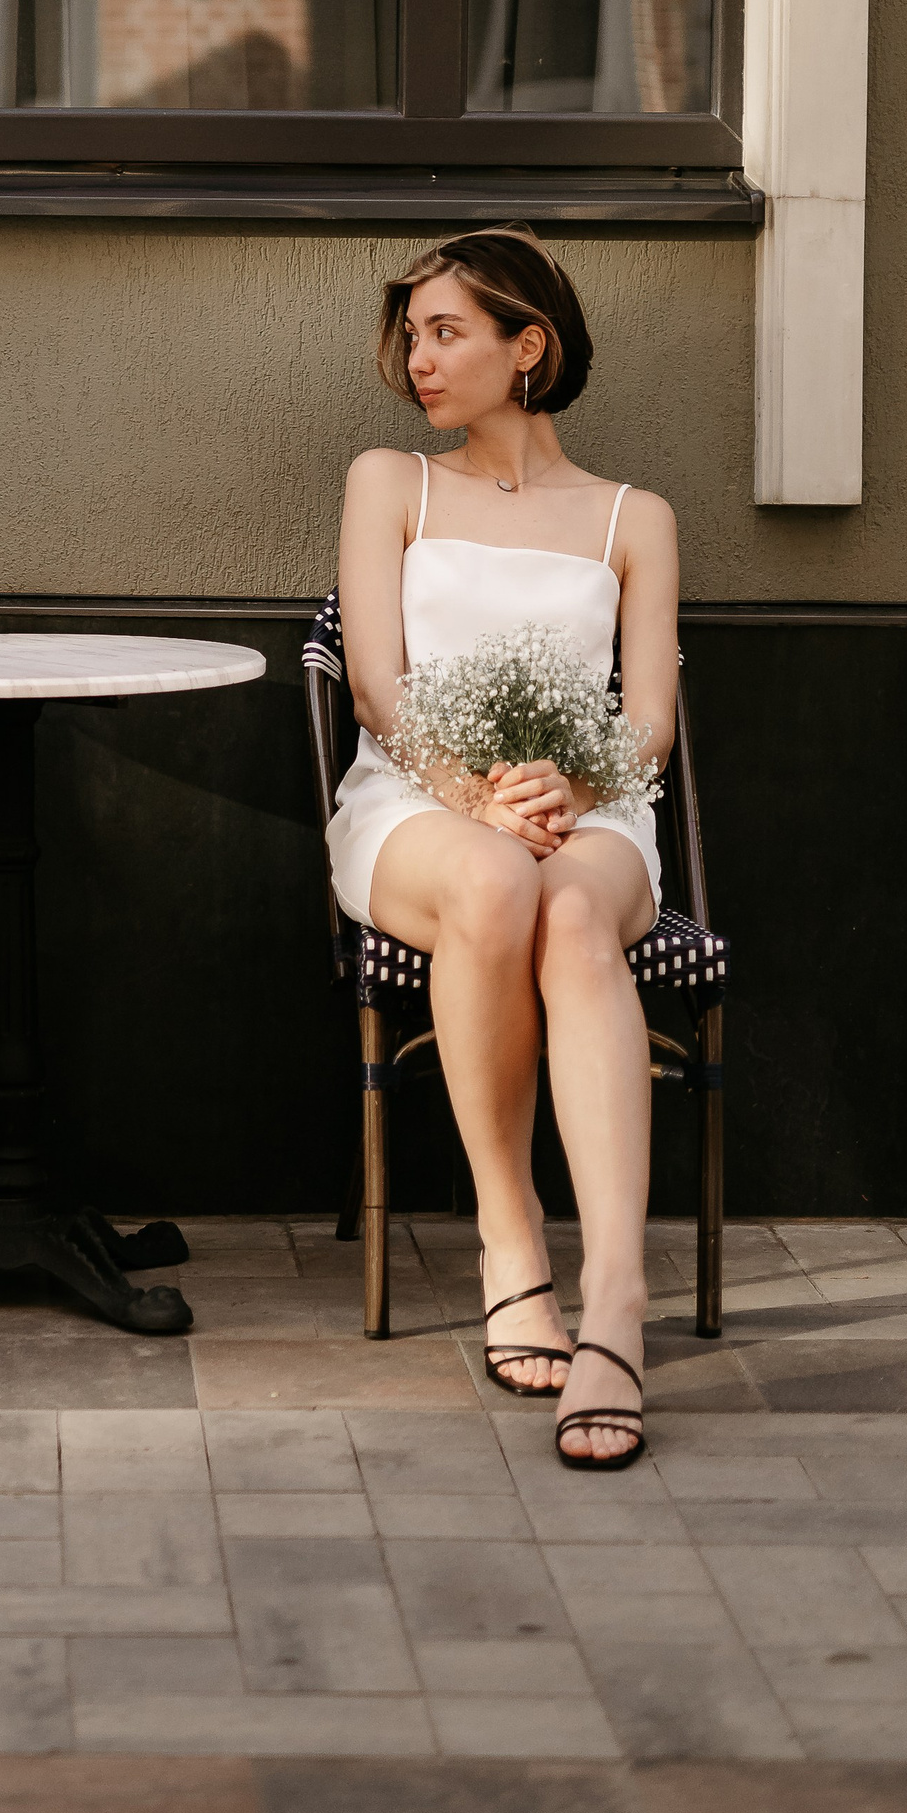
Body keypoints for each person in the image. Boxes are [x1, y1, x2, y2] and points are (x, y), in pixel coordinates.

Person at [329, 228, 676, 1472]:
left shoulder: (636, 516)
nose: (418, 359)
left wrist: (569, 785)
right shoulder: (390, 482)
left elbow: (650, 719)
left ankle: (617, 1302)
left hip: (592, 807)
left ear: (529, 345)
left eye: (448, 332)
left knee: (570, 913)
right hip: (416, 800)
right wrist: (475, 794)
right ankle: (512, 1234)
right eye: (413, 335)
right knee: (490, 879)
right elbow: (376, 684)